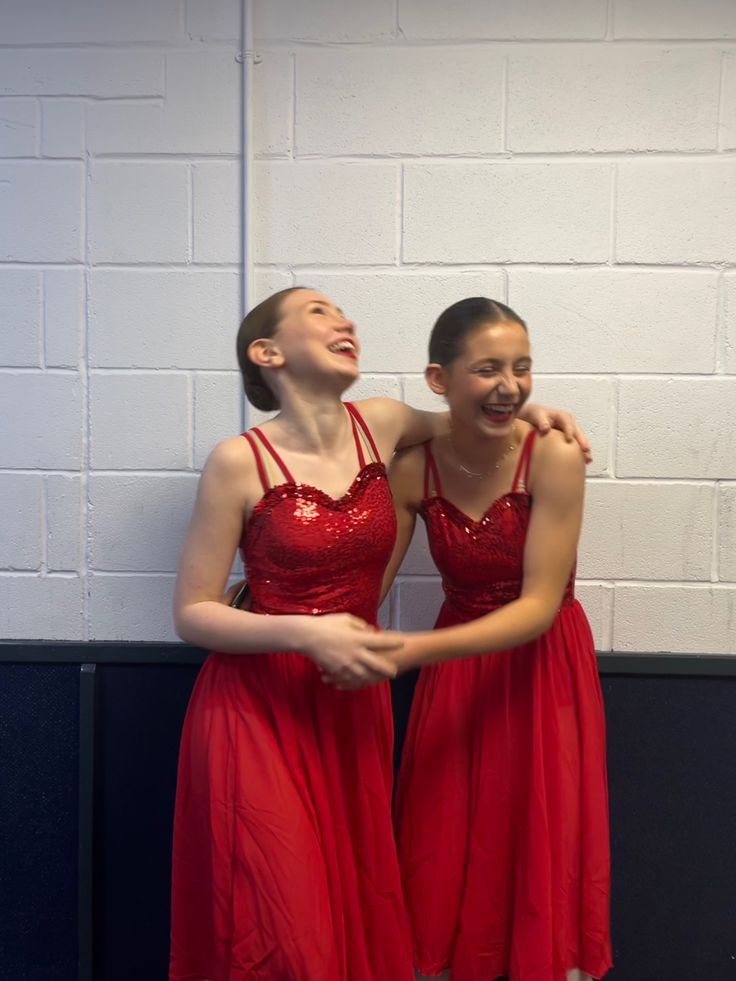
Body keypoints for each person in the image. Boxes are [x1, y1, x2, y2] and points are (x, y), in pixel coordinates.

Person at [168, 287, 588, 981]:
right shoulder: (238, 461)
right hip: (255, 706)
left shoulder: (385, 425)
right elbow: (191, 612)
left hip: (347, 707)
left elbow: (472, 414)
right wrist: (304, 635)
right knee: (281, 926)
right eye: (318, 311)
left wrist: (535, 409)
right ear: (267, 353)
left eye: (344, 313)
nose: (345, 320)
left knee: (351, 921)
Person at [379, 297, 611, 981]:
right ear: (438, 378)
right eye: (487, 369)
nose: (511, 385)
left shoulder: (553, 454)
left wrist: (409, 652)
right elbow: (364, 586)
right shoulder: (412, 466)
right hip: (458, 668)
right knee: (440, 838)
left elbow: (539, 605)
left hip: (540, 664)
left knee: (535, 835)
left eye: (523, 368)